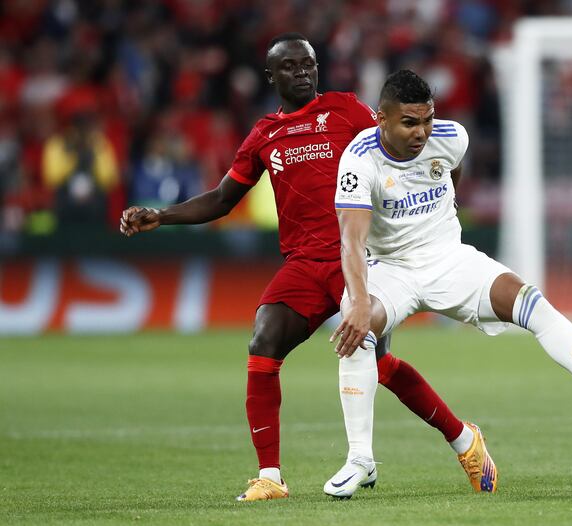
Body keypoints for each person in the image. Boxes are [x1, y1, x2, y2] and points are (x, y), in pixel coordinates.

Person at [119, 34, 481, 502]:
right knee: (263, 342)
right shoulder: (265, 134)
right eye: (290, 67)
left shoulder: (347, 111)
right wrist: (161, 215)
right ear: (272, 76)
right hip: (305, 264)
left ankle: (463, 440)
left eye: (308, 64)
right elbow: (223, 199)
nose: (303, 72)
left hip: (362, 259)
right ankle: (270, 476)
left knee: (378, 363)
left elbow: (411, 147)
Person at [328, 69, 572, 497]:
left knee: (532, 303)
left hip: (450, 260)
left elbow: (452, 172)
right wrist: (357, 301)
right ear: (381, 118)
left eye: (427, 119)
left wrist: (444, 214)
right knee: (355, 328)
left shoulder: (451, 137)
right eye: (409, 123)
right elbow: (351, 241)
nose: (421, 131)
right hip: (392, 269)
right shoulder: (358, 161)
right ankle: (360, 459)